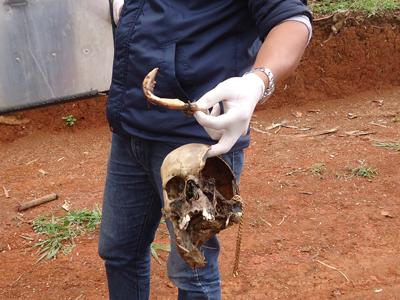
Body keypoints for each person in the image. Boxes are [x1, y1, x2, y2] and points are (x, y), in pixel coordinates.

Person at [99, 1, 312, 299]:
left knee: (193, 272)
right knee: (119, 251)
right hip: (132, 127)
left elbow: (291, 19)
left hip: (197, 142)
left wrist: (257, 80)